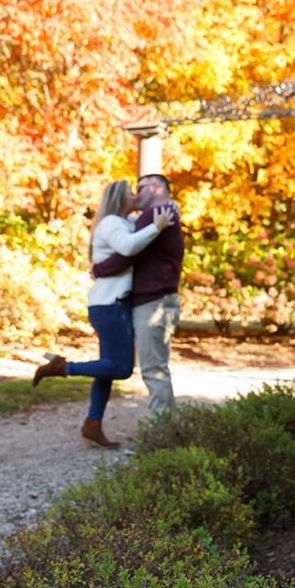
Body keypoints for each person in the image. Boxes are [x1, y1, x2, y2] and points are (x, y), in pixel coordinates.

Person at [32, 179, 174, 448]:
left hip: (111, 303)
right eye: (131, 193)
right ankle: (63, 367)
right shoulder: (111, 223)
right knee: (121, 369)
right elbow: (130, 248)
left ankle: (92, 426)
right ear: (120, 199)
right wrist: (157, 226)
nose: (135, 197)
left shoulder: (123, 223)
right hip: (110, 304)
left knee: (107, 369)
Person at [92, 173, 184, 416]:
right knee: (155, 369)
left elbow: (128, 254)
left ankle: (159, 436)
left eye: (140, 188)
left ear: (155, 188)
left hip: (154, 303)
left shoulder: (158, 214)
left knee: (154, 370)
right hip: (154, 300)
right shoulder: (159, 213)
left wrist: (98, 269)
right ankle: (168, 431)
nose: (136, 194)